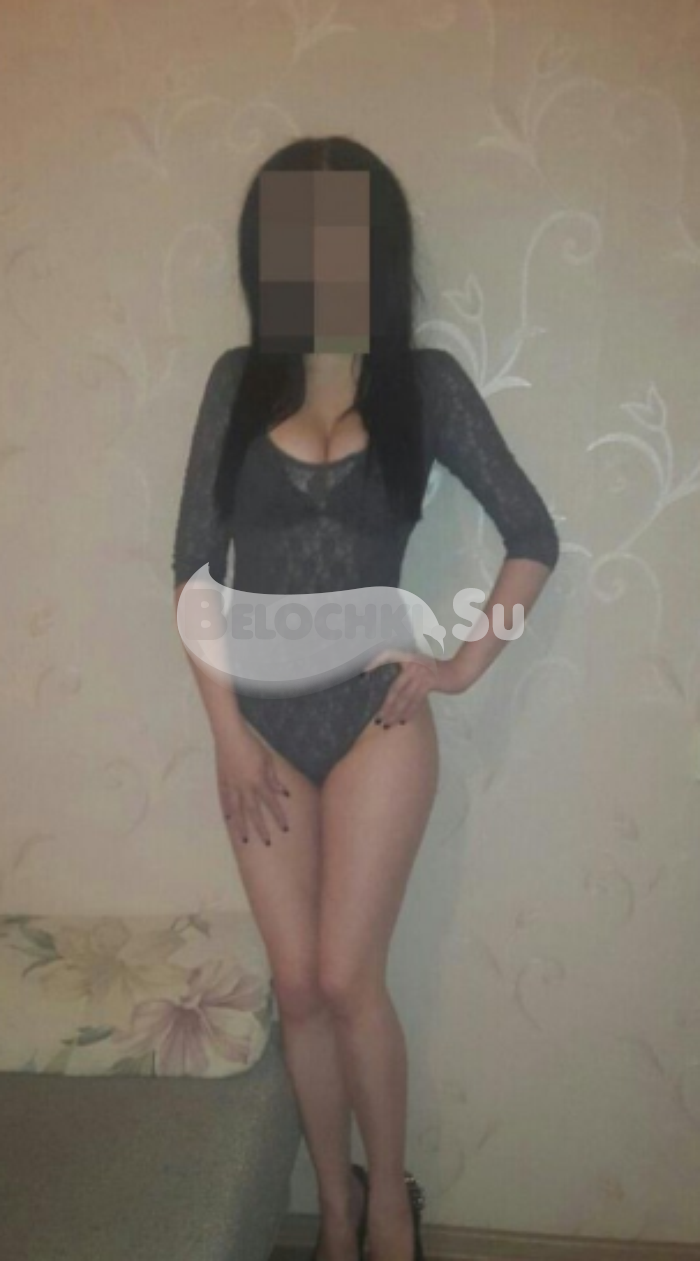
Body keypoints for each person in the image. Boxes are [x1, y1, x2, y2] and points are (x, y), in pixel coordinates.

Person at [172, 135, 559, 1261]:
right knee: (297, 987)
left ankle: (389, 1199)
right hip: (257, 722)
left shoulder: (425, 386)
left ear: (377, 249)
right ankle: (335, 1215)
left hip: (375, 716)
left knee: (349, 978)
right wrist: (226, 734)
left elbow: (532, 535)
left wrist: (462, 663)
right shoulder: (237, 382)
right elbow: (194, 565)